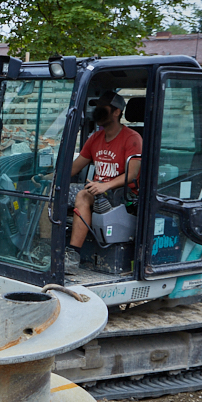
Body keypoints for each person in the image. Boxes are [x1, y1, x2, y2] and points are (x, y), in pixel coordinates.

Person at [66, 90, 141, 269]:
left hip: (122, 192)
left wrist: (105, 185)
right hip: (98, 188)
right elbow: (75, 167)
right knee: (53, 192)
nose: (98, 111)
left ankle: (72, 256)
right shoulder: (95, 138)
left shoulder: (132, 138)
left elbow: (132, 174)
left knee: (83, 196)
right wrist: (49, 177)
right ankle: (46, 246)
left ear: (116, 112)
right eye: (97, 107)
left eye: (103, 108)